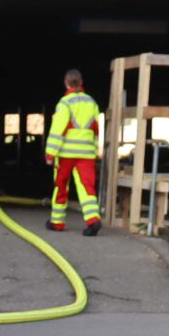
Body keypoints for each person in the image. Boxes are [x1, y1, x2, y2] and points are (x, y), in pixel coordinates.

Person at [45, 69, 104, 235]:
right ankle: (93, 219)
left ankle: (57, 222)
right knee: (87, 188)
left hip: (66, 154)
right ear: (81, 82)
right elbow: (95, 129)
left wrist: (50, 153)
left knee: (61, 186)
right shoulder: (92, 103)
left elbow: (58, 130)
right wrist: (94, 150)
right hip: (86, 154)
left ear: (66, 83)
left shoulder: (65, 103)